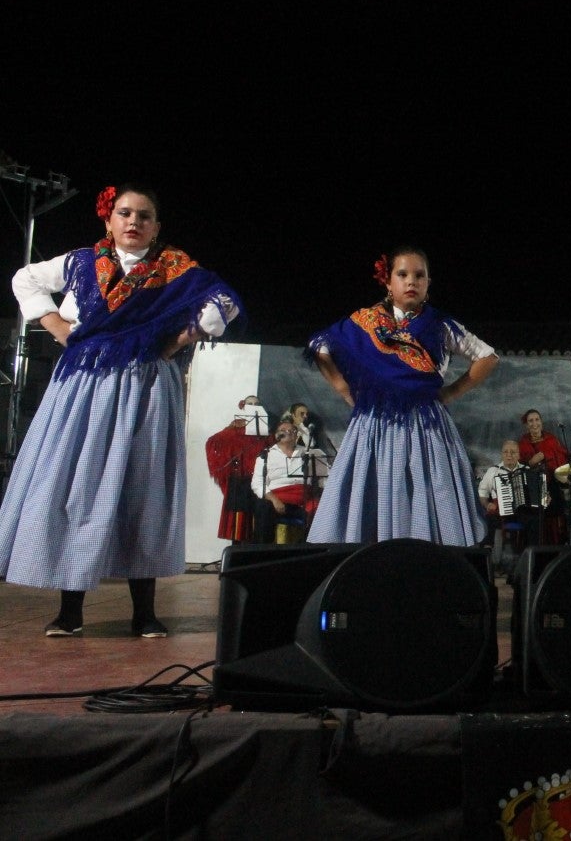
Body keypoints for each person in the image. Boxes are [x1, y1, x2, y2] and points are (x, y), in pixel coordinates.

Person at [0, 184, 242, 637]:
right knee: (78, 488)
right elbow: (25, 279)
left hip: (145, 385)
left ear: (156, 226)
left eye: (144, 216)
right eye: (125, 214)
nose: (134, 222)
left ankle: (145, 613)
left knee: (142, 489)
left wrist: (177, 340)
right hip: (84, 386)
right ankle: (70, 611)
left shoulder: (176, 269)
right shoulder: (81, 262)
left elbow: (222, 303)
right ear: (108, 220)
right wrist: (59, 329)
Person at [306, 247, 497, 544]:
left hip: (426, 424)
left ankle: (428, 562)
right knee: (375, 488)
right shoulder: (365, 322)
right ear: (388, 282)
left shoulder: (440, 325)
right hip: (374, 423)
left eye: (419, 276)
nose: (411, 282)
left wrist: (449, 393)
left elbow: (487, 357)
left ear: (428, 283)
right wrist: (345, 390)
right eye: (403, 275)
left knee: (428, 487)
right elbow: (320, 346)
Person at [205, 399, 275, 543]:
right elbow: (214, 442)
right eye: (250, 404)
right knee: (239, 525)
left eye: (257, 404)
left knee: (259, 524)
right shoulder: (233, 429)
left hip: (260, 481)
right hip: (240, 481)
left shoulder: (265, 432)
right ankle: (237, 557)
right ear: (243, 407)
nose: (254, 406)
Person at [251, 420, 327, 542]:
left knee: (322, 510)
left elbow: (323, 476)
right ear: (277, 435)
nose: (288, 432)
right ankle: (263, 552)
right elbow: (257, 483)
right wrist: (274, 500)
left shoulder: (307, 453)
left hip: (304, 499)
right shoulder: (266, 455)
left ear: (297, 435)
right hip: (278, 500)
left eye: (292, 430)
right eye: (283, 431)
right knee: (263, 507)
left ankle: (312, 553)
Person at [517, 408, 570, 545]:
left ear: (541, 422)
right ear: (526, 425)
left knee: (556, 504)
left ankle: (557, 542)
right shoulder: (523, 442)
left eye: (537, 420)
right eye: (531, 421)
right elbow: (521, 465)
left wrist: (544, 455)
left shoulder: (551, 439)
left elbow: (562, 455)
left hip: (551, 480)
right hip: (533, 483)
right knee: (534, 513)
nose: (534, 423)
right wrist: (531, 461)